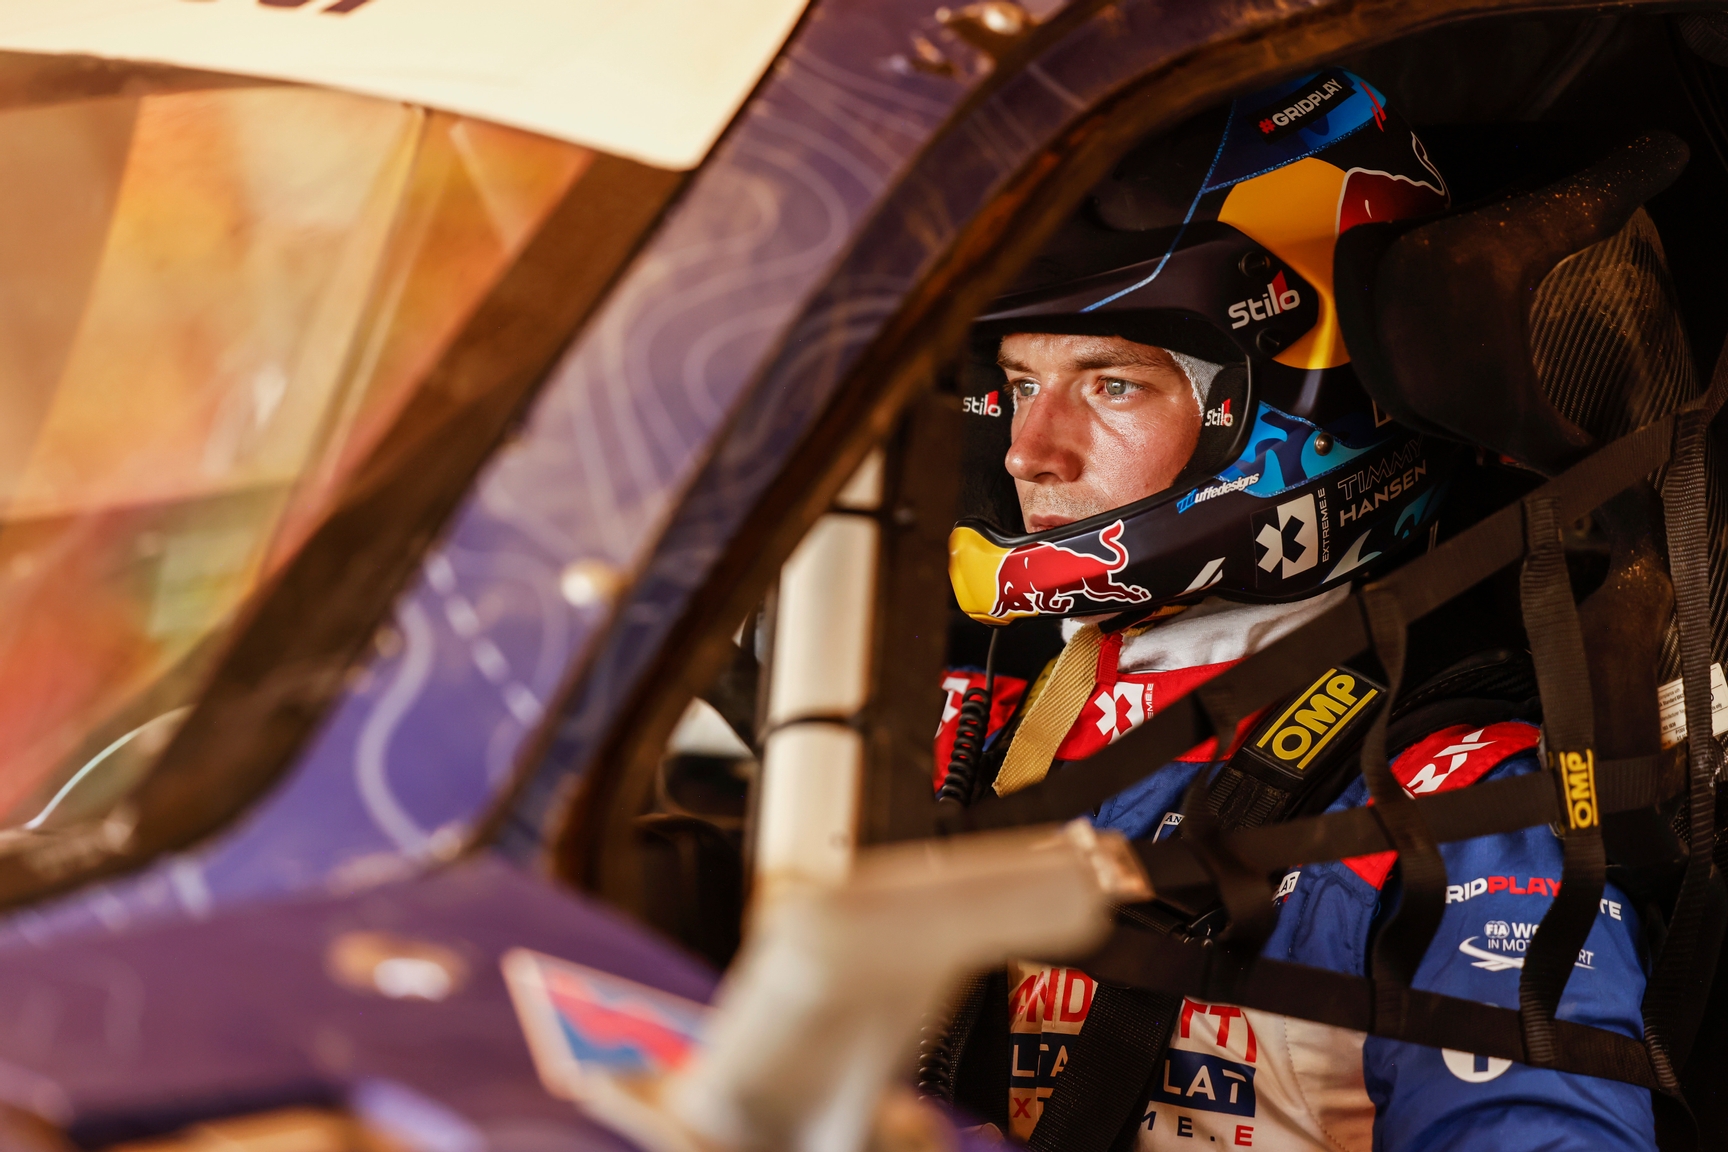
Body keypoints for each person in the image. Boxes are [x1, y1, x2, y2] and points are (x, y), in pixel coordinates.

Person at [930, 69, 1656, 1150]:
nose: (1031, 455)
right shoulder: (961, 723)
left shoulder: (1449, 806)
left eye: (1112, 382)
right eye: (1023, 385)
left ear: (1305, 400)